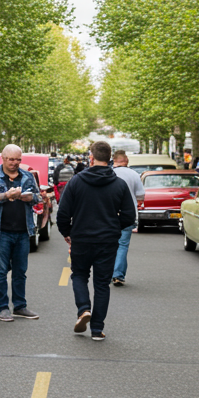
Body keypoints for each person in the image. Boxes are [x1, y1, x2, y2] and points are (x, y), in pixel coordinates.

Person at [56, 141, 136, 341]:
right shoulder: (119, 184)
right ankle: (97, 329)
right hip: (107, 241)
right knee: (102, 284)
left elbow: (63, 213)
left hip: (81, 238)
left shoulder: (76, 182)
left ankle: (83, 309)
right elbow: (129, 216)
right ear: (110, 159)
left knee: (79, 275)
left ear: (91, 157)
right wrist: (114, 228)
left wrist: (67, 233)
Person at [0, 144, 43, 322]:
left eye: (18, 160)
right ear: (3, 158)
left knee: (20, 271)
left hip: (23, 231)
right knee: (0, 271)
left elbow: (38, 197)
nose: (15, 163)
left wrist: (31, 198)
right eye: (11, 159)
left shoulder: (27, 176)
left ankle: (20, 306)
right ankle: (2, 308)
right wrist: (4, 196)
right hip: (0, 232)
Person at [110, 150, 145, 287]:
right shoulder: (134, 174)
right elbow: (140, 195)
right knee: (122, 245)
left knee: (108, 245)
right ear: (126, 160)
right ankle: (118, 274)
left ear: (114, 160)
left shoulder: (109, 173)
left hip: (108, 214)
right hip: (127, 214)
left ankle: (106, 273)